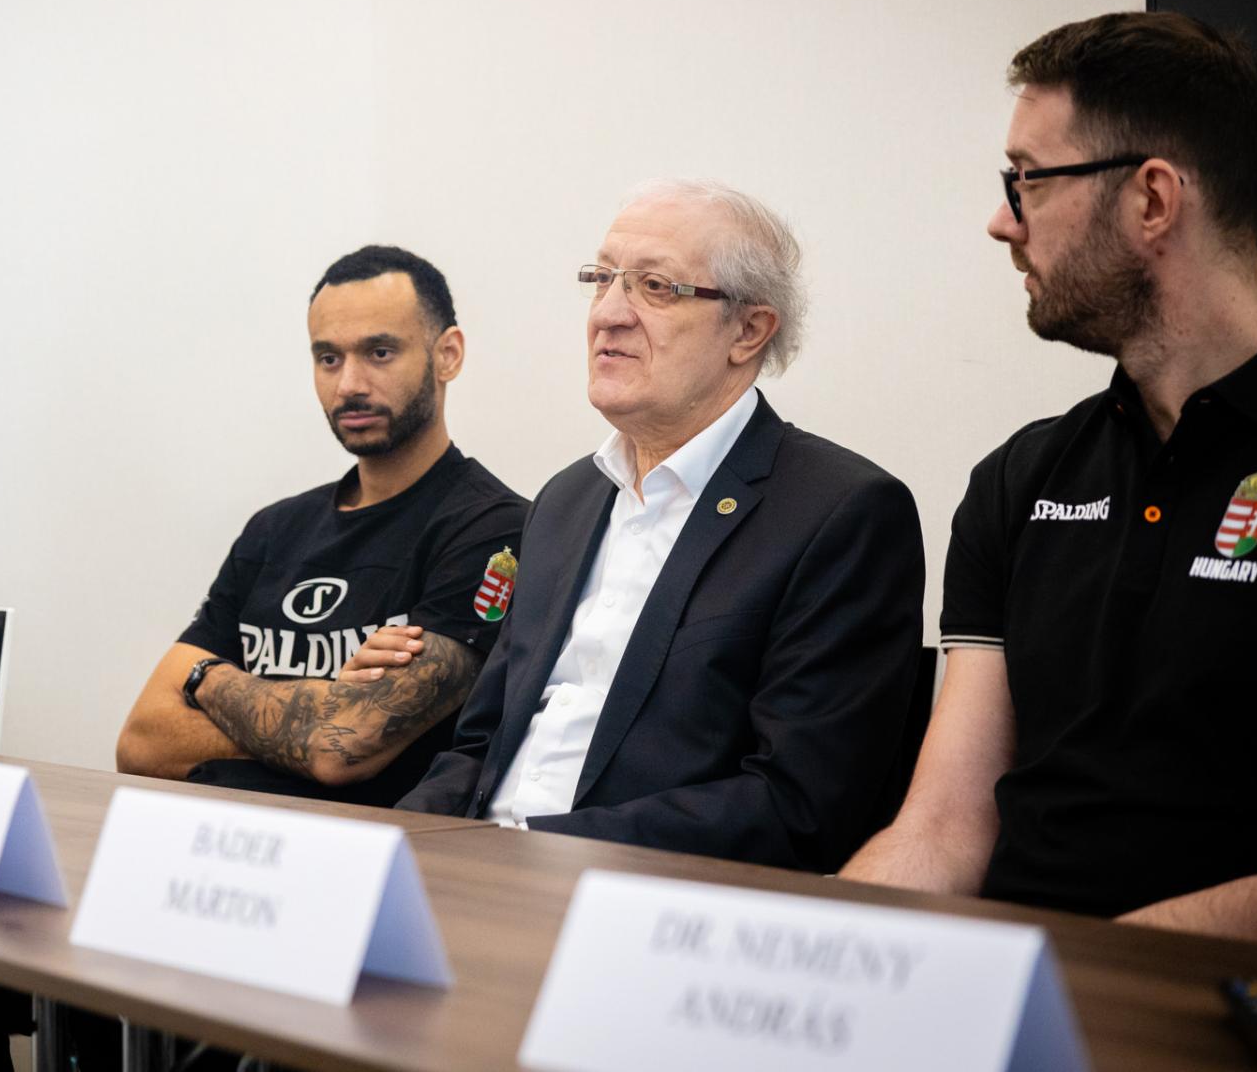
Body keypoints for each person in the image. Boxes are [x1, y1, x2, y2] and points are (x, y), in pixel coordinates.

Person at [841, 11, 1257, 932]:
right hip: (1020, 975)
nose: (1002, 220)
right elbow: (946, 829)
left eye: (1027, 179)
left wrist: (1088, 968)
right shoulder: (1022, 479)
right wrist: (812, 951)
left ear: (1152, 200)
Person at [386, 181, 926, 872]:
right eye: (602, 279)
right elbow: (479, 749)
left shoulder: (839, 512)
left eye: (655, 287)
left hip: (638, 895)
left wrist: (535, 850)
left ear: (749, 330)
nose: (608, 314)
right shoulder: (565, 502)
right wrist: (391, 844)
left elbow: (798, 806)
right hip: (481, 874)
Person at [115, 245, 527, 808]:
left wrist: (205, 679)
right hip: (222, 838)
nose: (349, 384)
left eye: (380, 352)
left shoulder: (492, 530)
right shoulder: (273, 530)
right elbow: (140, 742)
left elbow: (340, 748)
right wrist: (315, 716)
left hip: (377, 850)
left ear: (447, 355)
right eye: (328, 358)